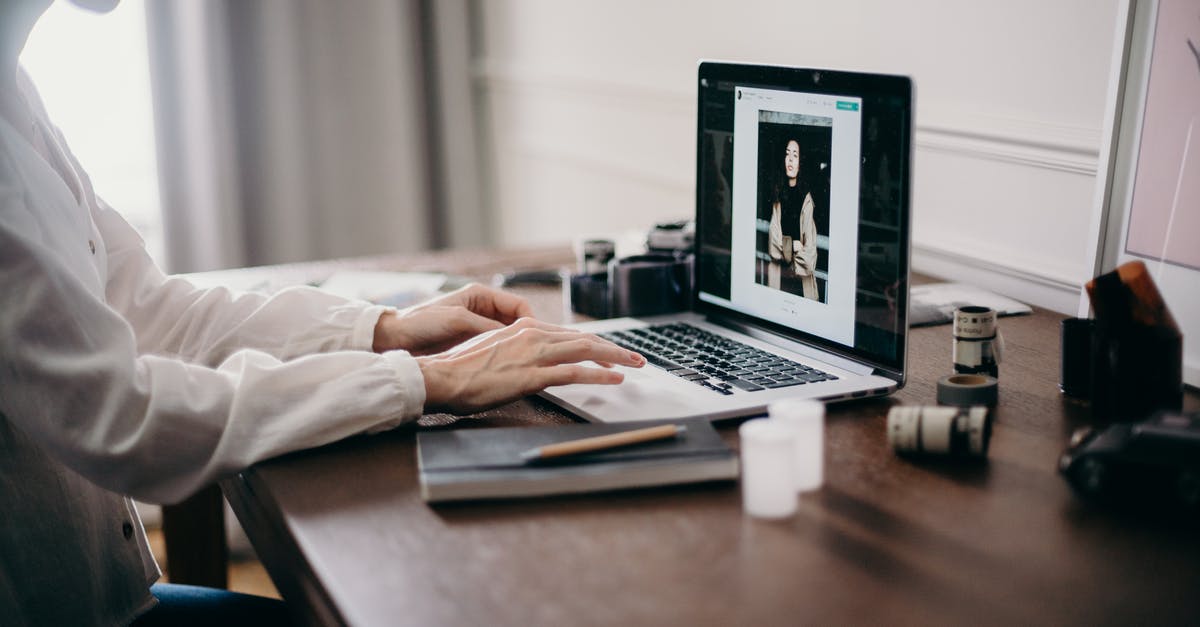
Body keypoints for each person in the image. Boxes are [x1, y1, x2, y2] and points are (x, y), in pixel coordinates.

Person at [0, 1, 645, 624]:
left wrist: (382, 330)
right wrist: (426, 381)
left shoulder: (16, 87)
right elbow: (121, 419)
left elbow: (152, 310)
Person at [767, 138, 819, 300]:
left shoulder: (807, 200)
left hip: (801, 284)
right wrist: (793, 245)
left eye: (795, 155)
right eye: (787, 154)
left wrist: (787, 252)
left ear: (800, 162)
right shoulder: (777, 197)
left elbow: (810, 256)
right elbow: (773, 247)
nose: (790, 159)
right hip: (779, 279)